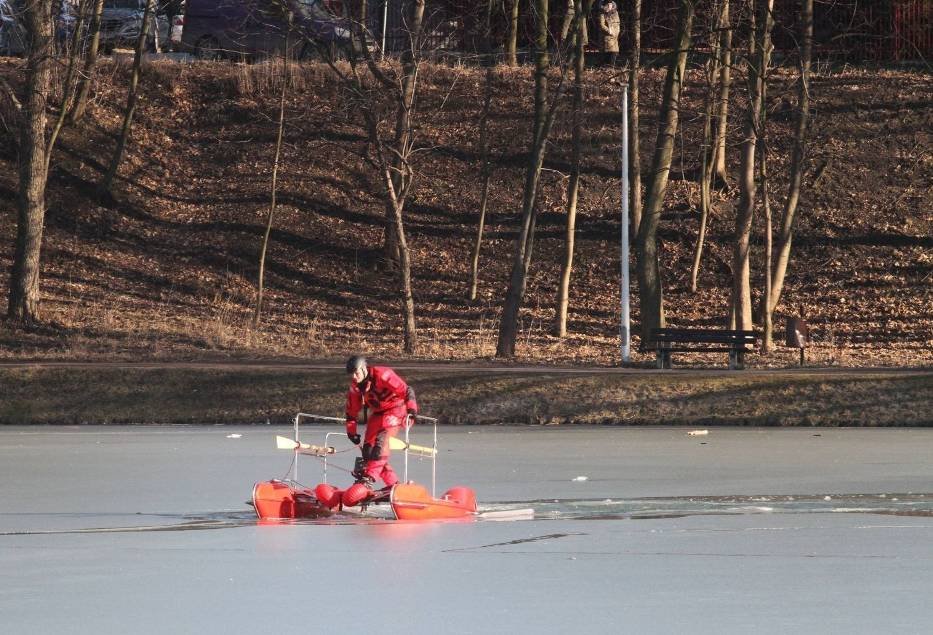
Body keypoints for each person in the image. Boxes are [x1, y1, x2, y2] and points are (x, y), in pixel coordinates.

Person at [344, 355, 418, 493]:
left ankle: (369, 478)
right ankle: (393, 484)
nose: (354, 376)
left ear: (364, 368)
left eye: (356, 372)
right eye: (351, 374)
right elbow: (351, 410)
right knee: (368, 450)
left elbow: (407, 390)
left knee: (381, 443)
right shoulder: (356, 387)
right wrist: (351, 431)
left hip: (396, 410)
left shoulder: (382, 374)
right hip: (378, 414)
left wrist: (412, 410)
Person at [598, 0, 621, 65]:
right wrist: (610, 31)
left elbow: (618, 22)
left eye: (610, 4)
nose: (609, 6)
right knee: (609, 52)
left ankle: (611, 66)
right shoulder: (602, 13)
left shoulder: (615, 12)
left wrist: (617, 31)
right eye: (608, 5)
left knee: (615, 52)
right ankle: (607, 66)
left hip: (615, 36)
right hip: (608, 36)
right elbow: (602, 25)